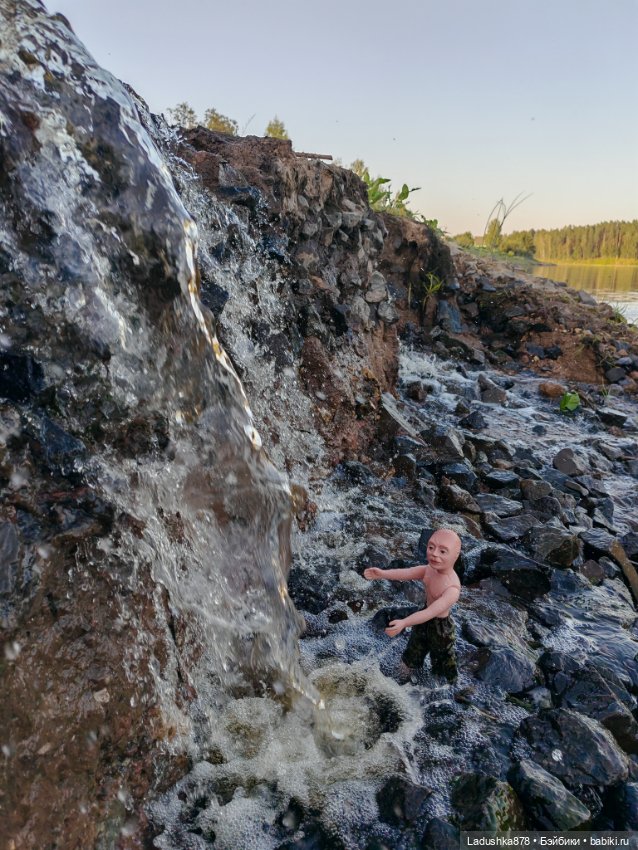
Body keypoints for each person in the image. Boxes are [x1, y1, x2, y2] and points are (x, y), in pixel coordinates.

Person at [364, 528, 461, 683]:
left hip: (441, 629)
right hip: (423, 619)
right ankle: (400, 681)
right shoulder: (429, 569)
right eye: (431, 547)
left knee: (443, 665)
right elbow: (407, 573)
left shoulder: (452, 588)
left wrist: (404, 622)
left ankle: (449, 691)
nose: (434, 554)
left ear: (455, 555)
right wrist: (382, 574)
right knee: (412, 653)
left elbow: (430, 612)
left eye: (443, 551)